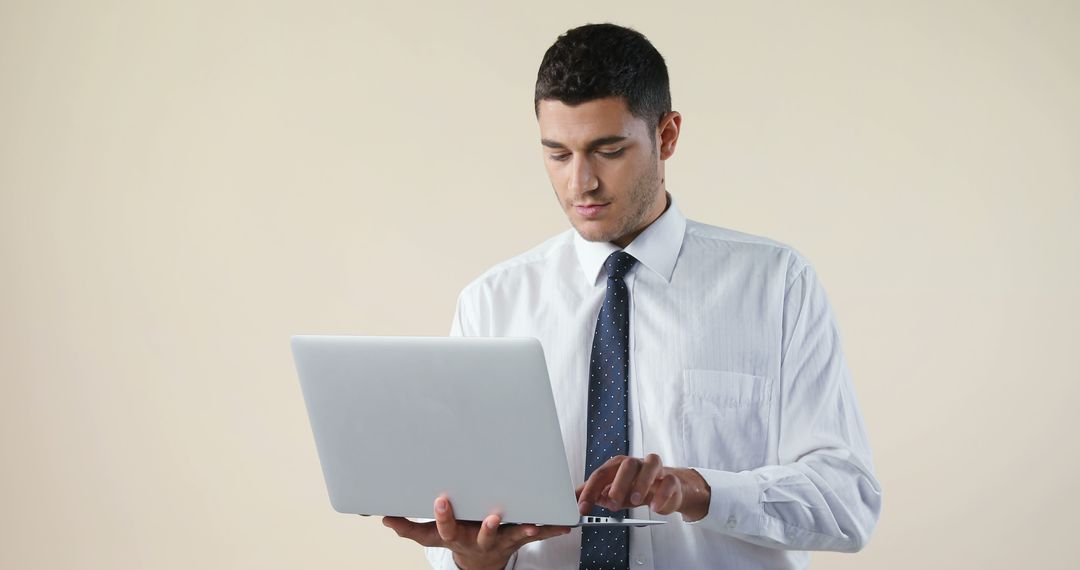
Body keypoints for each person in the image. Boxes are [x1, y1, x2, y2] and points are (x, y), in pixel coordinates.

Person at [382, 22, 882, 570]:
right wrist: (477, 558)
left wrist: (696, 490)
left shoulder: (776, 286)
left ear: (666, 136)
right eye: (557, 154)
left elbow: (847, 502)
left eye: (608, 150)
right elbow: (468, 528)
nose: (581, 184)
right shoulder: (491, 303)